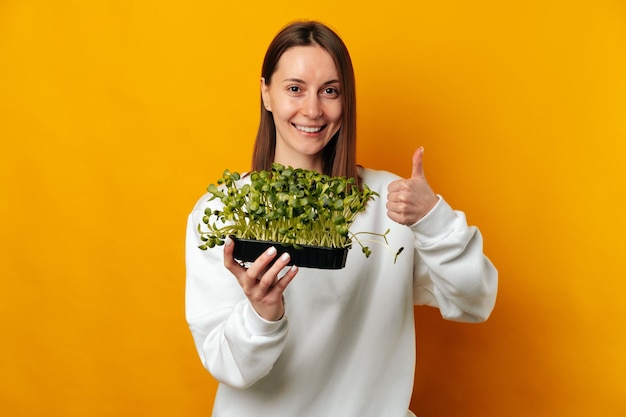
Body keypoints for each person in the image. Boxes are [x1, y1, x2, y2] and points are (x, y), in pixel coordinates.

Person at [185, 20, 498, 417]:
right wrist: (262, 314)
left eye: (329, 91)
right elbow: (228, 366)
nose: (313, 110)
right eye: (294, 89)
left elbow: (475, 300)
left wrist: (432, 218)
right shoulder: (221, 211)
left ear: (345, 99)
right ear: (266, 93)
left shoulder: (393, 202)